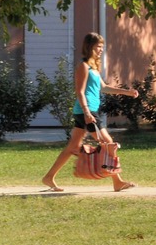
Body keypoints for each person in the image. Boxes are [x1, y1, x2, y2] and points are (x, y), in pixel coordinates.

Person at [41, 32, 139, 192]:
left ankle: (48, 177)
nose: (101, 49)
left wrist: (126, 92)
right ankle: (117, 182)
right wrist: (87, 113)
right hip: (86, 111)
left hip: (87, 111)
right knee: (108, 143)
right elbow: (79, 92)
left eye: (102, 47)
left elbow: (104, 87)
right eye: (98, 46)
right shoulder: (83, 66)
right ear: (89, 47)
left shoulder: (93, 68)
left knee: (73, 147)